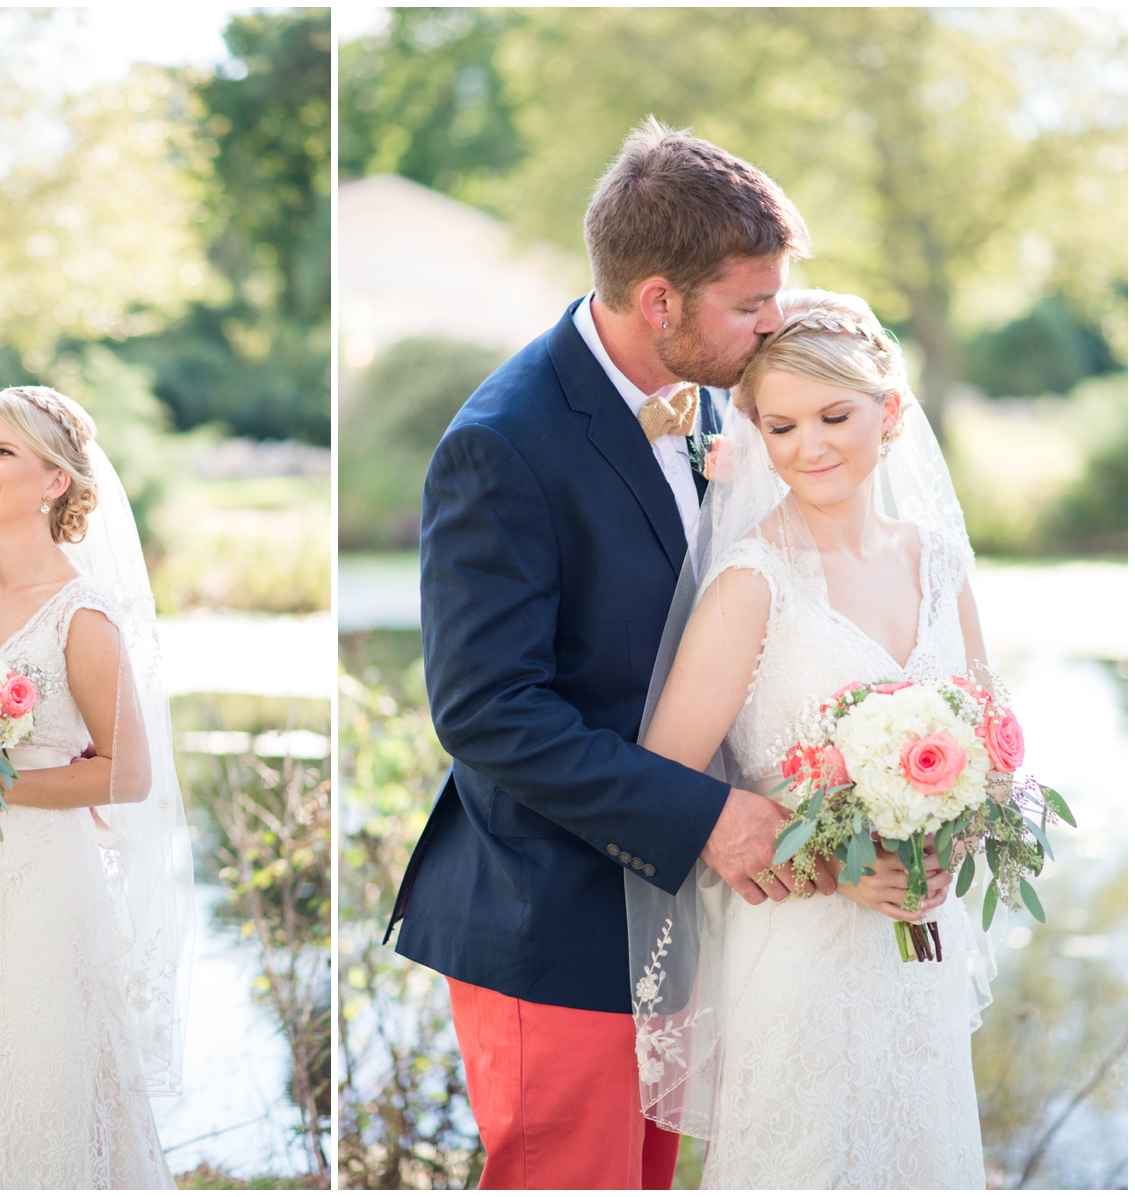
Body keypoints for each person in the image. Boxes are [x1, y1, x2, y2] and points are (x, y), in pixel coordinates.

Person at [383, 117, 825, 1189]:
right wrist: (709, 819)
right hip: (554, 922)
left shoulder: (722, 393)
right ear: (659, 301)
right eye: (751, 302)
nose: (777, 322)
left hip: (678, 922)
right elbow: (490, 712)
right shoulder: (503, 442)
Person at [630, 289, 989, 1187]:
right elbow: (667, 783)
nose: (810, 447)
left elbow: (989, 747)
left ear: (890, 412)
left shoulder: (940, 561)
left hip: (920, 958)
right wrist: (832, 854)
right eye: (781, 426)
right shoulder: (752, 581)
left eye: (835, 415)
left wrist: (952, 839)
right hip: (799, 953)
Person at [0, 386, 192, 1188]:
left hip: (43, 890)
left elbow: (126, 774)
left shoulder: (81, 615)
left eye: (3, 452)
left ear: (56, 481)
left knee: (37, 1083)